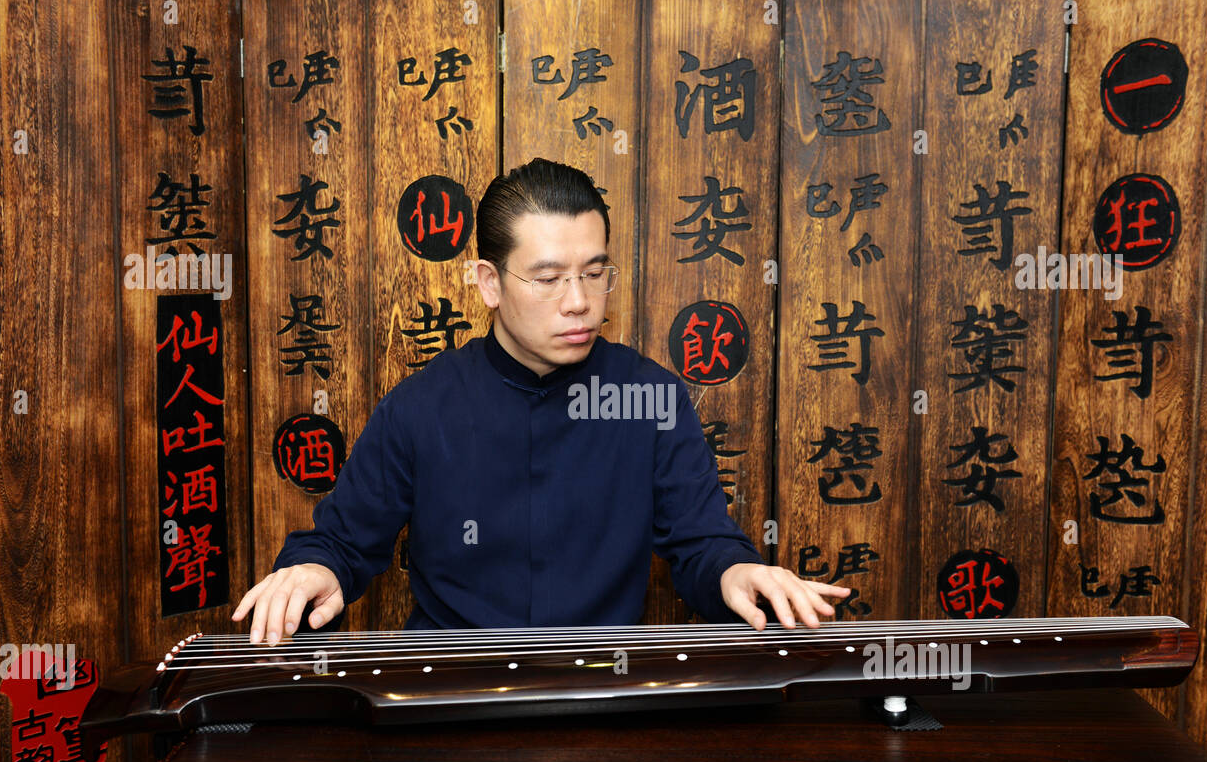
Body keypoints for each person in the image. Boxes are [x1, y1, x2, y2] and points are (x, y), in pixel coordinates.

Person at [233, 158, 852, 646]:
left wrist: (735, 573)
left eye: (595, 272)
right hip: (449, 699)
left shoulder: (650, 397)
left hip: (603, 698)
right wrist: (314, 572)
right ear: (489, 283)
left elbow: (700, 544)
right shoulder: (422, 408)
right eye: (550, 278)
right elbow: (342, 542)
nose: (580, 301)